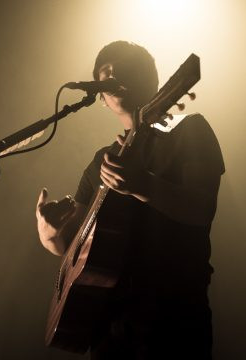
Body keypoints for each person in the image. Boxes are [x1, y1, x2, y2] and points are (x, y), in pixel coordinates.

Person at [36, 41, 225, 359]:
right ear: (100, 98)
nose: (113, 71)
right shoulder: (100, 162)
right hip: (109, 324)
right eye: (104, 70)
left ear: (153, 83)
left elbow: (202, 208)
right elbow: (74, 248)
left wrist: (143, 185)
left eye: (125, 65)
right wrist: (51, 237)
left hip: (174, 317)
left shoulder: (190, 130)